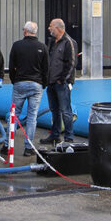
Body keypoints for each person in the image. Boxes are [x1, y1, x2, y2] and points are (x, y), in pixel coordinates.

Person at [5, 20, 47, 145]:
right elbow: (46, 69)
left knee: (14, 115)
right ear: (36, 32)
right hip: (36, 84)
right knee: (32, 117)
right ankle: (29, 147)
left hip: (20, 83)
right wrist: (43, 84)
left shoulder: (17, 45)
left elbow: (12, 66)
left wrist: (14, 80)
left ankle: (7, 144)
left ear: (25, 31)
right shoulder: (42, 47)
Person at [41, 17, 79, 145]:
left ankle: (69, 137)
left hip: (61, 83)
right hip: (51, 82)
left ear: (57, 28)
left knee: (65, 111)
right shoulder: (52, 42)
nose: (49, 28)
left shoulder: (69, 42)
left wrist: (62, 80)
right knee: (54, 110)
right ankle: (55, 134)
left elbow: (72, 63)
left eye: (50, 26)